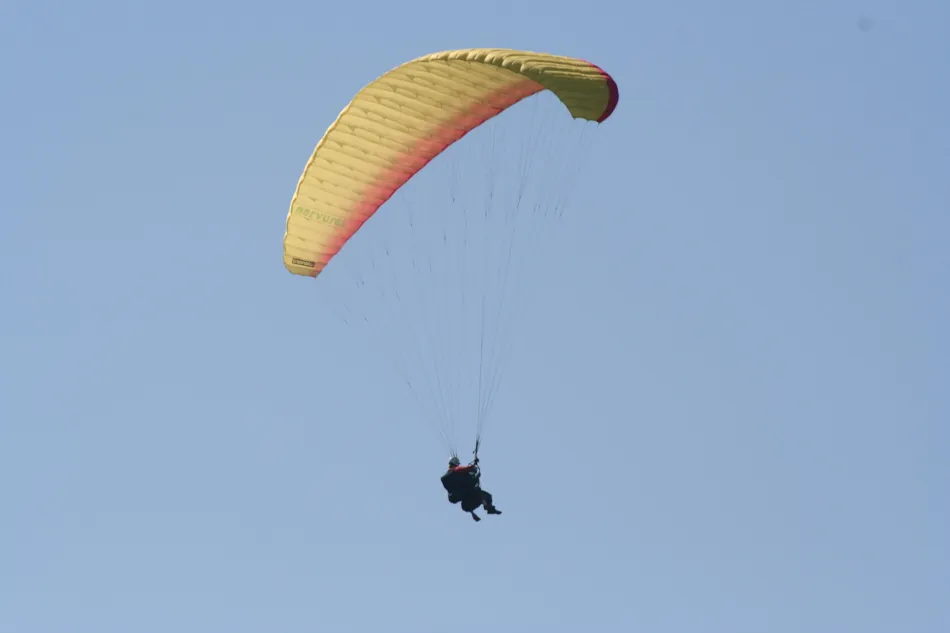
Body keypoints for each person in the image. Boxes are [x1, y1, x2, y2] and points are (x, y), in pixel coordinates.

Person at [440, 456, 502, 522]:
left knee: (481, 493)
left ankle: (482, 508)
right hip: (466, 495)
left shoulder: (453, 476)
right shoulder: (455, 470)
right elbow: (463, 469)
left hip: (464, 501)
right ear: (456, 463)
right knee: (483, 494)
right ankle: (489, 508)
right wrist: (472, 467)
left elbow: (466, 473)